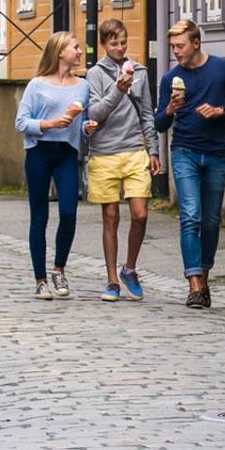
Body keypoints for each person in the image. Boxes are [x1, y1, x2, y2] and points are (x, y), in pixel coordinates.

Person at [154, 19, 225, 310]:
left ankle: (204, 276)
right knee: (191, 216)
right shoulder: (171, 78)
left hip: (216, 152)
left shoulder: (222, 68)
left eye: (180, 46)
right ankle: (194, 284)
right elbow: (159, 123)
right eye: (172, 47)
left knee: (210, 221)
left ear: (196, 43)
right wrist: (170, 108)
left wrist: (220, 110)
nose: (176, 52)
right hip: (184, 151)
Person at [82, 18, 161, 302]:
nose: (120, 47)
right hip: (104, 151)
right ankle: (112, 280)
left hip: (134, 149)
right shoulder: (94, 74)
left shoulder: (139, 70)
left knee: (140, 213)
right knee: (111, 217)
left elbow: (147, 114)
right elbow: (95, 113)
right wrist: (119, 88)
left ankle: (130, 268)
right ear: (104, 44)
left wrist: (153, 150)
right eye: (114, 43)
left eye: (123, 42)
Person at [16, 32, 87, 301]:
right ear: (60, 52)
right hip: (39, 153)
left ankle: (59, 269)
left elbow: (85, 120)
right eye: (76, 47)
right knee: (40, 216)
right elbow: (21, 123)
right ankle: (40, 279)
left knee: (69, 211)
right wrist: (48, 124)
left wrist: (88, 127)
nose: (80, 52)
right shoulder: (36, 85)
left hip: (66, 153)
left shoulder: (82, 86)